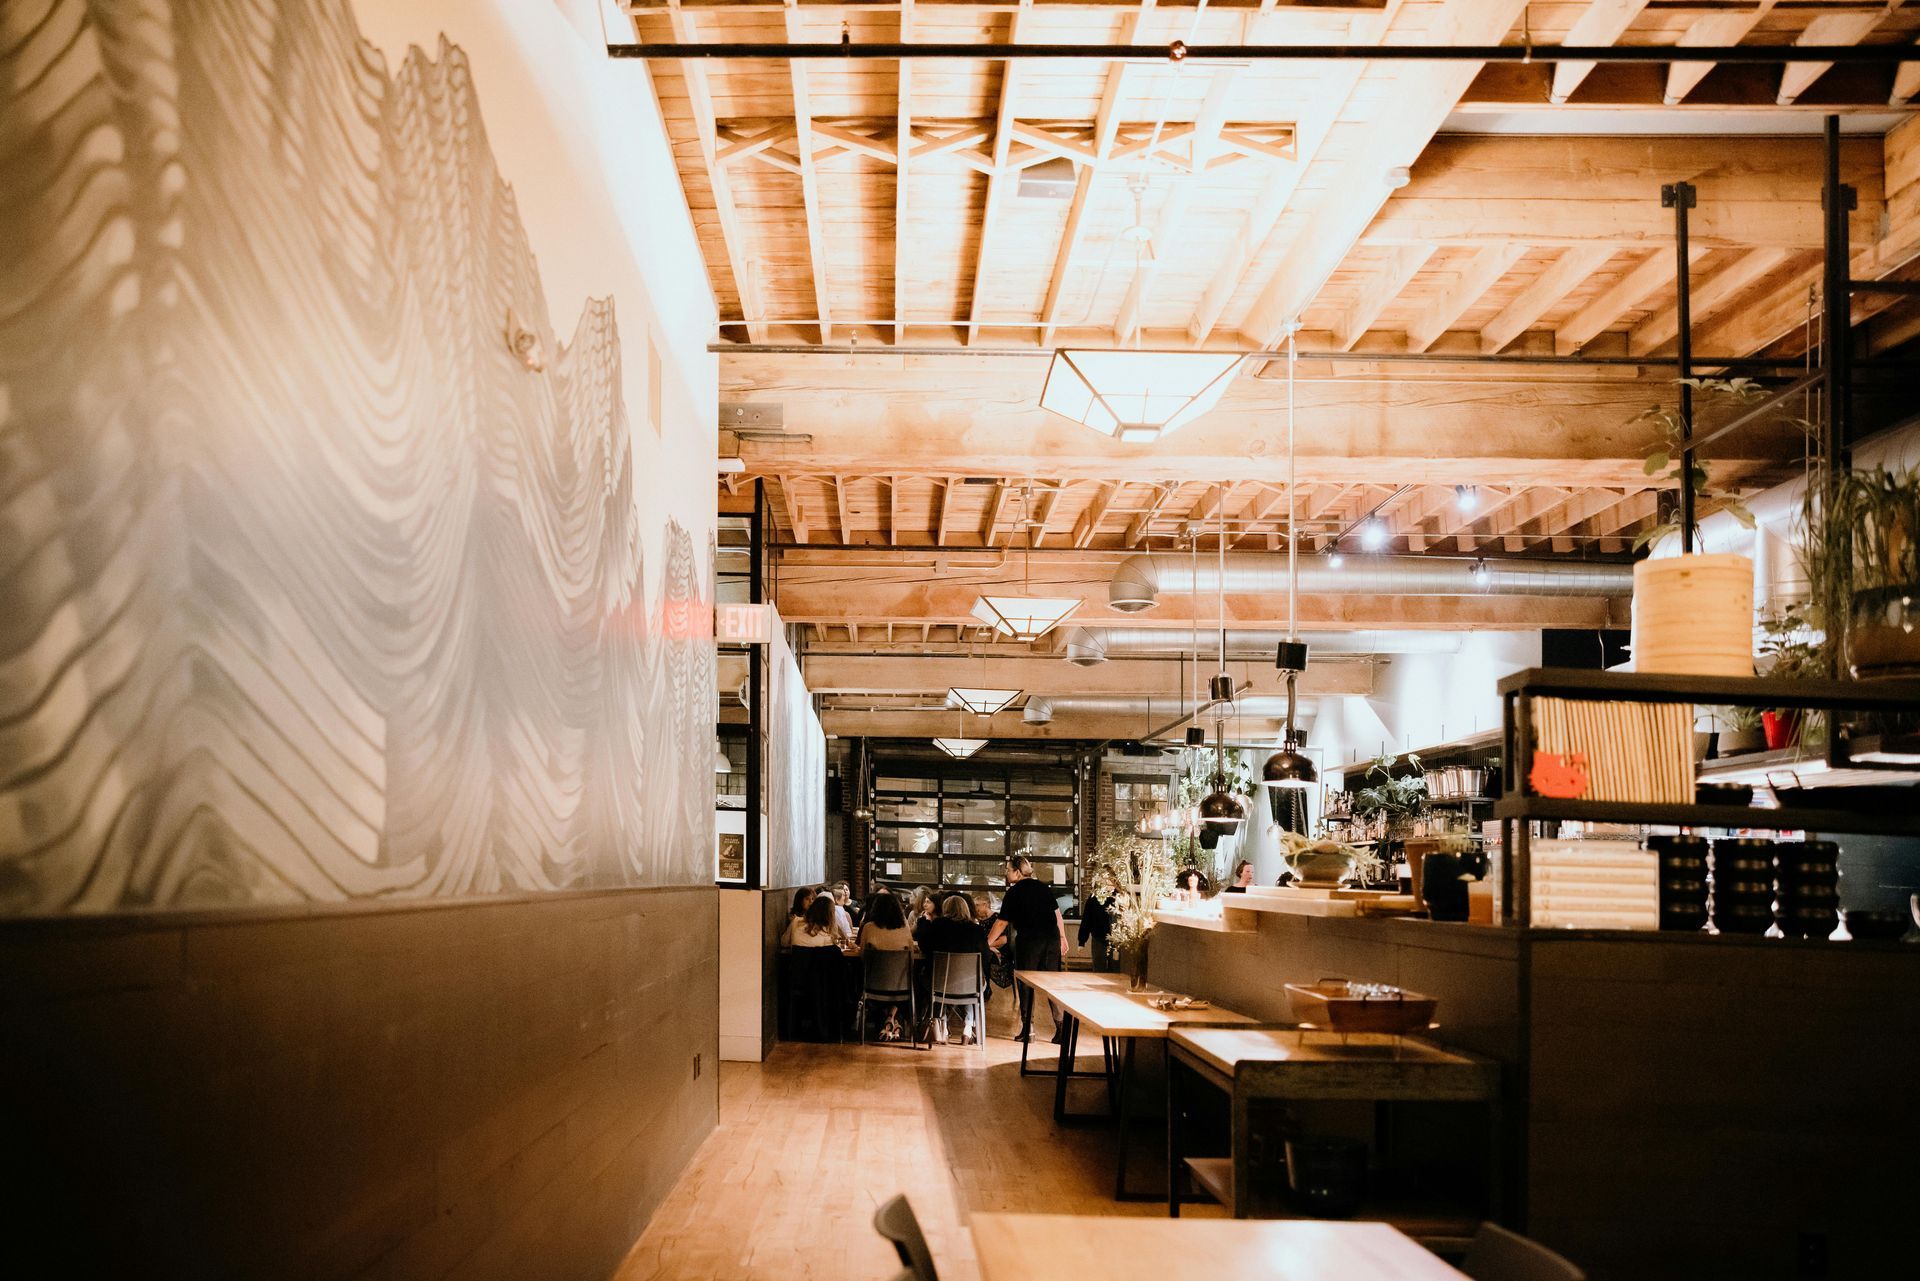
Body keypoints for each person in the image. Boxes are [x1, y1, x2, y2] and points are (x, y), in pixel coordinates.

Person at [987, 856, 1069, 1043]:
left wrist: (987, 943)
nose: (1006, 873)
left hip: (1030, 941)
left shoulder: (1014, 892)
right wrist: (1062, 937)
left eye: (1008, 869)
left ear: (1017, 871)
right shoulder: (1043, 888)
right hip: (1051, 940)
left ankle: (1028, 1030)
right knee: (1052, 984)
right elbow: (1057, 915)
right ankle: (1061, 1028)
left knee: (1026, 983)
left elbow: (1001, 923)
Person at [918, 894, 991, 1044]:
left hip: (939, 985)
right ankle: (968, 1028)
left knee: (925, 978)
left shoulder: (937, 926)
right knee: (973, 983)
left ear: (945, 909)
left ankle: (942, 1025)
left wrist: (924, 922)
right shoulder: (977, 930)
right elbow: (986, 958)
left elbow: (924, 947)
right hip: (969, 985)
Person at [1078, 873, 1118, 972]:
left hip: (1116, 939)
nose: (1108, 883)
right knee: (1099, 967)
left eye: (1110, 881)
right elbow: (1087, 920)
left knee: (1116, 968)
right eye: (1105, 881)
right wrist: (1081, 942)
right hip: (1099, 937)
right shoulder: (1094, 899)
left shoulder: (1118, 897)